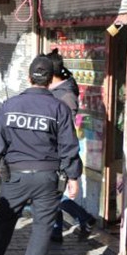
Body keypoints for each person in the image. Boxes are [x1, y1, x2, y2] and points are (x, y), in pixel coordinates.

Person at [0, 55, 82, 255]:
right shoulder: (58, 108)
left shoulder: (11, 105)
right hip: (47, 177)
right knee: (43, 225)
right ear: (49, 80)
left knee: (3, 222)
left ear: (29, 77)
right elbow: (68, 146)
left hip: (15, 176)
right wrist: (73, 175)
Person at [47, 49, 96, 242]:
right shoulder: (57, 91)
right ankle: (56, 230)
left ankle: (84, 217)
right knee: (52, 193)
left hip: (60, 151)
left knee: (53, 194)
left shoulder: (65, 95)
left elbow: (65, 130)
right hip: (53, 151)